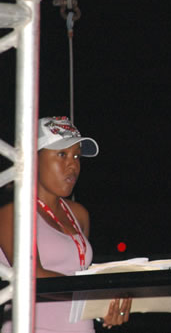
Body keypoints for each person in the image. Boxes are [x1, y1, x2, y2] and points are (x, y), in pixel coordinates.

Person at [0, 116, 131, 332]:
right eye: (62, 154)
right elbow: (33, 276)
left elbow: (80, 278)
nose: (72, 164)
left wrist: (107, 307)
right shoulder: (13, 212)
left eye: (77, 156)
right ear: (33, 158)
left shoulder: (79, 214)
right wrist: (98, 295)